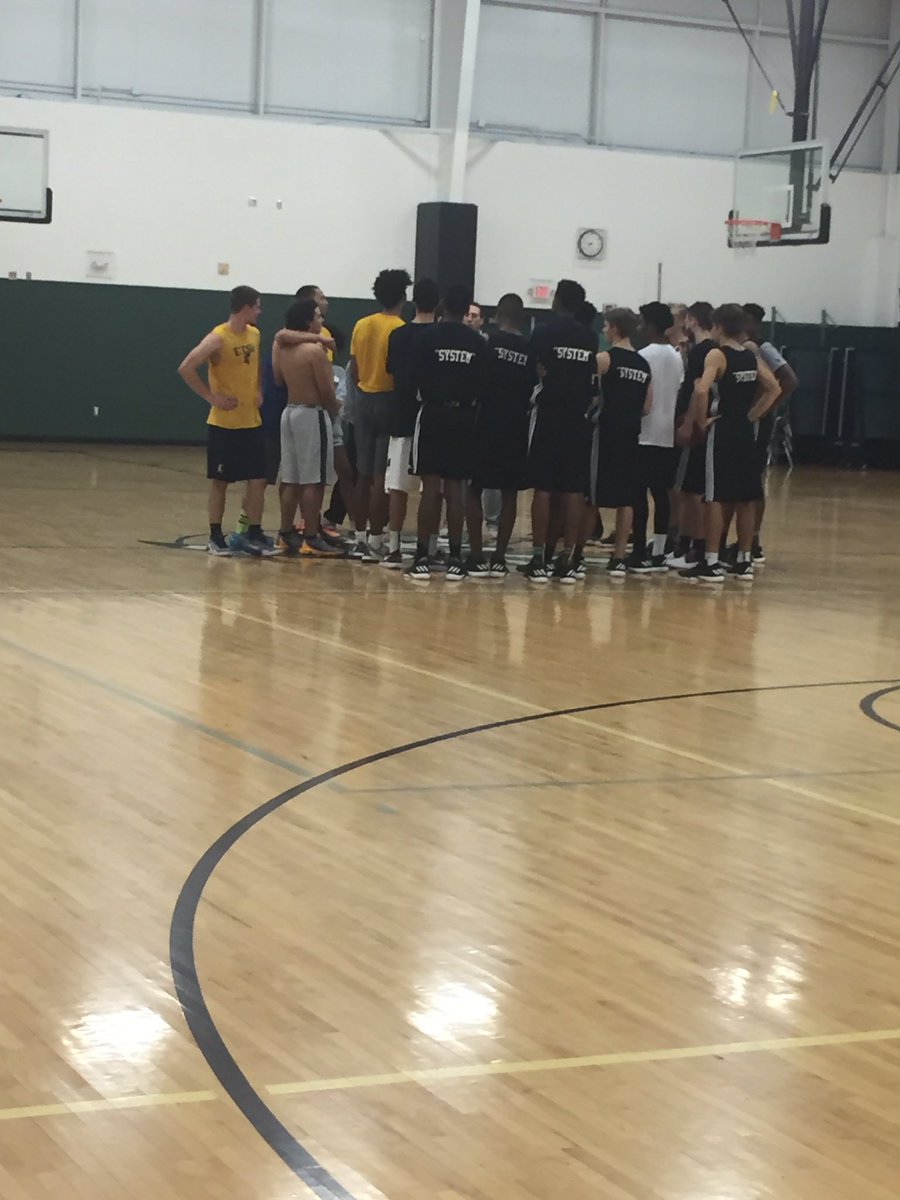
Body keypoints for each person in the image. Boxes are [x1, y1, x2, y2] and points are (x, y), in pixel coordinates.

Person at [679, 303, 780, 585]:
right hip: (746, 431)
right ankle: (744, 560)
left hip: (722, 429)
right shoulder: (749, 355)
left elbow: (701, 389)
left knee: (716, 496)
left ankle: (711, 561)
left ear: (719, 327)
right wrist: (751, 416)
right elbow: (774, 387)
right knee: (746, 497)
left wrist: (701, 422)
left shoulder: (717, 354)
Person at [177, 285, 273, 557]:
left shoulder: (254, 334)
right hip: (224, 424)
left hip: (251, 421)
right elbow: (186, 367)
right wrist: (211, 397)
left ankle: (253, 531)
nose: (260, 311)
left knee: (257, 479)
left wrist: (257, 390)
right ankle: (215, 536)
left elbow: (253, 368)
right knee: (220, 482)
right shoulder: (218, 338)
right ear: (245, 308)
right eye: (257, 306)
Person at [407, 283, 488, 582]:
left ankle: (421, 558)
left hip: (432, 412)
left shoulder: (427, 337)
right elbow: (484, 382)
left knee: (430, 490)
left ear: (443, 307)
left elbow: (412, 377)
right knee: (455, 490)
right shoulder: (478, 342)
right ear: (466, 308)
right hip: (464, 416)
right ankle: (455, 558)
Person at [524, 280, 596, 584]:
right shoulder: (590, 338)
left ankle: (539, 557)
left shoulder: (543, 332)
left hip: (549, 415)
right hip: (578, 419)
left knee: (543, 487)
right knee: (573, 490)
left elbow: (533, 368)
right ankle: (568, 558)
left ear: (557, 301)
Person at [466, 292, 534, 578]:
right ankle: (500, 557)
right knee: (509, 494)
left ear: (497, 317)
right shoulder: (531, 350)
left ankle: (477, 553)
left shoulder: (487, 344)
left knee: (473, 488)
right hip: (516, 425)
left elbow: (475, 382)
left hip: (484, 422)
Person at [348, 268, 411, 561]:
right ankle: (375, 540)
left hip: (363, 398)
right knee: (379, 478)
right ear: (403, 295)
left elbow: (355, 368)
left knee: (362, 474)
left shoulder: (361, 324)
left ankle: (358, 536)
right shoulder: (400, 328)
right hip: (387, 399)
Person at [380, 278, 440, 569]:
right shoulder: (441, 336)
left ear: (413, 301)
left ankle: (393, 548)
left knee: (398, 486)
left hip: (403, 414)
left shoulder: (398, 335)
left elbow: (392, 373)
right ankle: (429, 547)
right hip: (432, 417)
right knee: (433, 487)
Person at [272, 297, 340, 556]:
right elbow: (326, 391)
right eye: (318, 317)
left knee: (290, 477)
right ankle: (312, 533)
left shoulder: (283, 347)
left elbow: (278, 378)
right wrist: (336, 408)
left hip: (289, 412)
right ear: (307, 321)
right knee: (315, 480)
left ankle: (286, 531)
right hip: (312, 415)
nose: (321, 321)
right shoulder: (315, 352)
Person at [593, 308, 652, 577]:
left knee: (590, 494)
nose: (604, 330)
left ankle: (575, 555)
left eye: (606, 325)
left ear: (615, 328)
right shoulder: (643, 365)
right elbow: (647, 406)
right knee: (626, 497)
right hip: (631, 433)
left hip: (604, 433)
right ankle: (618, 558)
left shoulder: (604, 359)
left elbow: (591, 394)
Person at [629, 301, 684, 572]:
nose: (639, 326)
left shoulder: (643, 355)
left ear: (650, 325)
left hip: (643, 432)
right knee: (661, 495)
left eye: (642, 321)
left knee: (637, 495)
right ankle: (660, 551)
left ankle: (639, 550)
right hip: (667, 434)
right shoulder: (677, 357)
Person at [742, 303, 798, 562]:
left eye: (745, 321)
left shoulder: (763, 348)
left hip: (757, 422)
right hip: (743, 421)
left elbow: (789, 380)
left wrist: (766, 407)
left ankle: (753, 540)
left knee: (752, 479)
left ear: (754, 322)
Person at [669, 301, 717, 570]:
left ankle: (697, 547)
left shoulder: (706, 351)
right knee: (687, 490)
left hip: (696, 427)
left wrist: (690, 424)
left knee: (693, 491)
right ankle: (685, 543)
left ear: (693, 320)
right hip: (697, 424)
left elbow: (700, 390)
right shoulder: (699, 351)